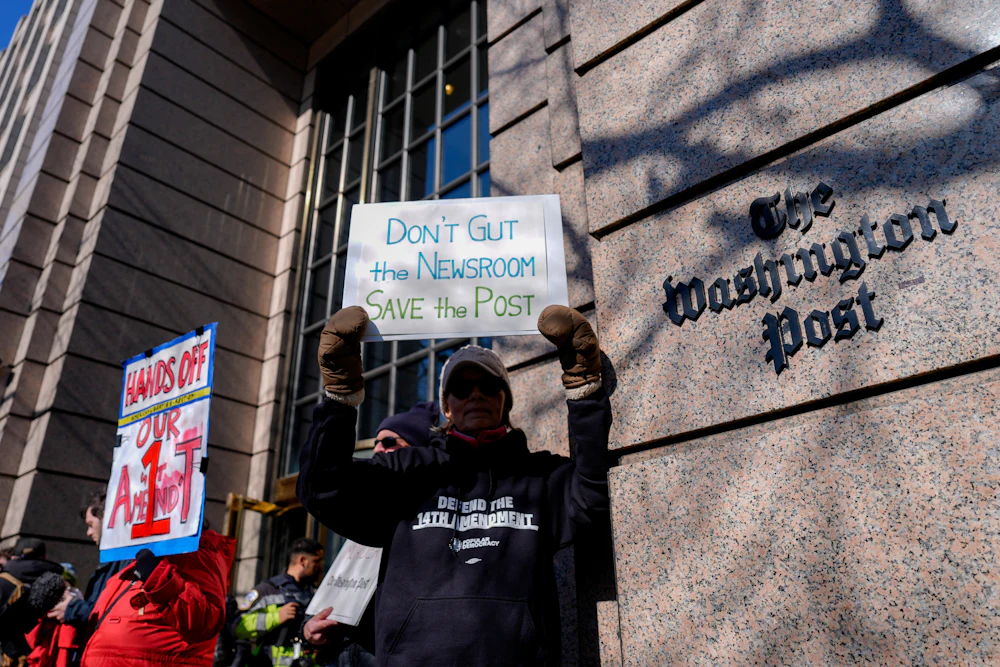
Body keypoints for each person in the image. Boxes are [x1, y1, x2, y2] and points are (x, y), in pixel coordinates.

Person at [297, 305, 612, 665]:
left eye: (489, 385)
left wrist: (584, 390)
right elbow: (323, 488)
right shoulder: (407, 470)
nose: (475, 395)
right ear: (446, 407)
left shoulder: (542, 476)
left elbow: (594, 495)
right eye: (462, 388)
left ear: (503, 400)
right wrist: (340, 396)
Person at [303, 402, 440, 667]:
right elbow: (336, 590)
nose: (378, 448)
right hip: (345, 653)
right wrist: (309, 628)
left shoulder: (431, 519)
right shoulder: (363, 513)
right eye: (376, 442)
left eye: (390, 441)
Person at [80, 529, 235, 667]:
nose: (87, 531)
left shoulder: (199, 553)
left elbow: (204, 622)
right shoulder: (132, 564)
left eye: (90, 524)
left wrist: (157, 577)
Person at [234, 538, 325, 667]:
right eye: (316, 561)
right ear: (302, 561)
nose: (320, 567)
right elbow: (239, 627)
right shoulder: (267, 590)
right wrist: (277, 617)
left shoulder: (313, 593)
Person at [46, 494, 128, 634]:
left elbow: (111, 614)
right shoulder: (112, 561)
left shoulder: (125, 560)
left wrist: (73, 609)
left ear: (106, 517)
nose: (88, 532)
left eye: (91, 525)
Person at [0, 539, 69, 665]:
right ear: (44, 557)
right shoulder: (62, 589)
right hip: (44, 657)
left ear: (14, 558)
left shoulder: (3, 582)